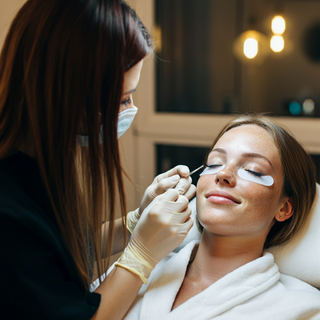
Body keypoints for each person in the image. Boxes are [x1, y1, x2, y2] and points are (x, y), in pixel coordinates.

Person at [0, 0, 196, 319]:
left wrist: (134, 224)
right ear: (67, 94)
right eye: (120, 99)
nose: (130, 110)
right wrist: (140, 256)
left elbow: (53, 250)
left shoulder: (38, 163)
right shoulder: (6, 211)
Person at [123, 114, 320, 320]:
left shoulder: (303, 309)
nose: (223, 174)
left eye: (253, 170)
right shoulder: (136, 269)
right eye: (215, 163)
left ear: (284, 208)